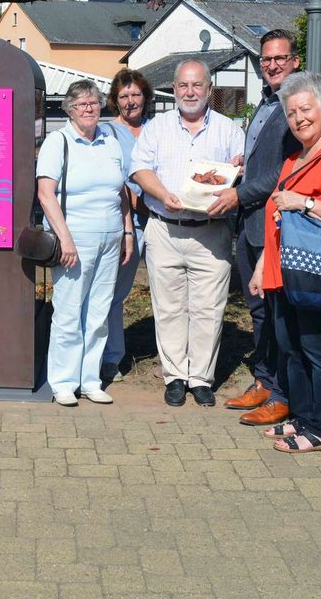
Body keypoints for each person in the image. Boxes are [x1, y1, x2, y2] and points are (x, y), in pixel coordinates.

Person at [247, 72, 321, 454]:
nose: (299, 118)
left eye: (306, 109)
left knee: (318, 348)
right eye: (292, 112)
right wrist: (262, 264)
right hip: (283, 269)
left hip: (314, 270)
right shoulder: (296, 157)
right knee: (290, 346)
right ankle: (300, 417)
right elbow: (276, 216)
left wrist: (306, 203)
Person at [131, 60, 245, 407]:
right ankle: (175, 376)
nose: (190, 92)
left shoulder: (229, 129)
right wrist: (164, 195)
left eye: (197, 85)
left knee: (209, 308)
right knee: (169, 308)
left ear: (210, 90)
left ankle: (201, 379)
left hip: (211, 232)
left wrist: (235, 174)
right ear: (175, 89)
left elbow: (241, 168)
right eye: (183, 85)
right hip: (165, 228)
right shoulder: (156, 128)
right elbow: (139, 169)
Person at [210, 29, 302, 425]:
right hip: (250, 224)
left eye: (280, 58)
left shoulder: (298, 105)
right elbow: (265, 162)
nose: (272, 65)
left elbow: (287, 170)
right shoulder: (266, 102)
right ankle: (265, 380)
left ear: (295, 61)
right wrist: (241, 169)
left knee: (277, 312)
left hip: (275, 222)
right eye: (266, 59)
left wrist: (241, 193)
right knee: (259, 312)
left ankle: (282, 394)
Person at [38, 80, 133, 406]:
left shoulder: (110, 139)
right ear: (69, 109)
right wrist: (65, 239)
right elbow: (45, 194)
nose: (90, 109)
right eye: (81, 104)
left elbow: (121, 192)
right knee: (68, 311)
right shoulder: (58, 141)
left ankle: (90, 379)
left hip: (110, 236)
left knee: (99, 311)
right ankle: (63, 382)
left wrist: (128, 231)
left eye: (94, 103)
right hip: (75, 237)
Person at [100, 69, 154, 383]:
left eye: (135, 95)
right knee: (114, 293)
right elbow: (115, 179)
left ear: (145, 97)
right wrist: (138, 205)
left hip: (160, 220)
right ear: (115, 100)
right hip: (126, 223)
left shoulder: (157, 128)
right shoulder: (108, 132)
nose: (130, 101)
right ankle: (111, 358)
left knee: (167, 295)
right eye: (123, 96)